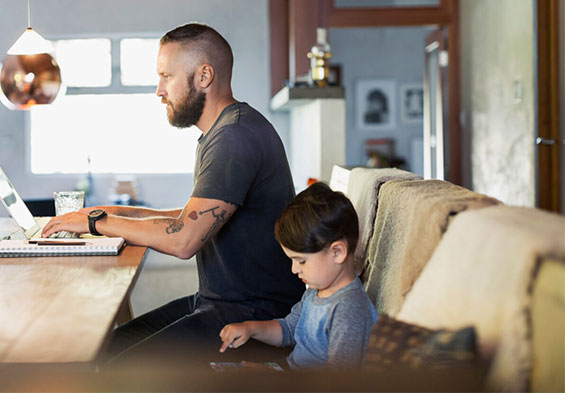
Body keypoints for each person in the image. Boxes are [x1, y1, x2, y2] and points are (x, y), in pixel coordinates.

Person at [42, 23, 304, 366]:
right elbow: (190, 217)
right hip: (220, 303)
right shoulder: (223, 131)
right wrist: (111, 212)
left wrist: (98, 223)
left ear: (204, 76)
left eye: (167, 76)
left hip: (253, 317)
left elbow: (184, 239)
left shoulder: (234, 137)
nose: (159, 90)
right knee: (103, 351)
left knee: (114, 370)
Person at [219, 182, 378, 370]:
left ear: (337, 252)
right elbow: (289, 330)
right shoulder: (315, 291)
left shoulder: (349, 308)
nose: (294, 269)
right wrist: (250, 328)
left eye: (301, 261)